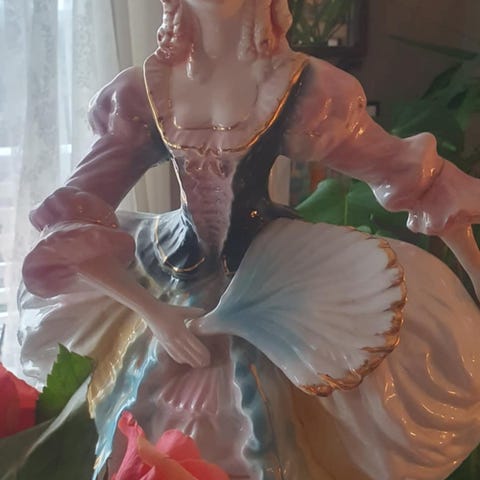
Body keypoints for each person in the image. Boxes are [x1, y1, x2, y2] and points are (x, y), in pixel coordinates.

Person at [17, 0, 480, 478]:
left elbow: (403, 172)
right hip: (168, 277)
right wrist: (153, 313)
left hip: (275, 275)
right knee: (135, 431)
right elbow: (71, 223)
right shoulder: (143, 92)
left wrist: (471, 257)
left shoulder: (306, 89)